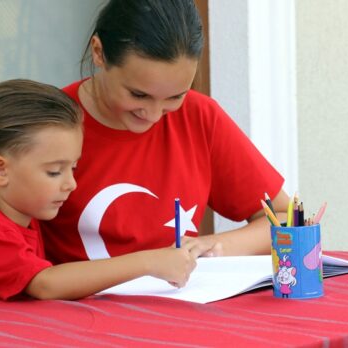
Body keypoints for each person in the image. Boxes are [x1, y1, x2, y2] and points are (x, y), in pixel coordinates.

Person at [41, 0, 290, 265]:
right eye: (139, 94)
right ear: (99, 52)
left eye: (175, 96)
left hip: (177, 303)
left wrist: (213, 246)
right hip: (79, 305)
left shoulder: (199, 116)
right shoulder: (44, 126)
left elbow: (285, 217)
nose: (153, 113)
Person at [0, 79, 201, 314]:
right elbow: (45, 284)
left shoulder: (23, 217)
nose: (71, 184)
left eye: (74, 168)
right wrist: (148, 262)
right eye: (55, 172)